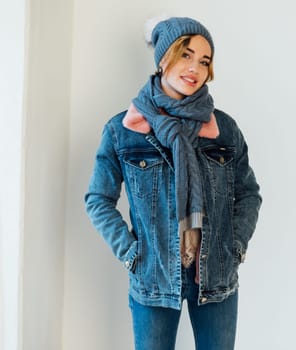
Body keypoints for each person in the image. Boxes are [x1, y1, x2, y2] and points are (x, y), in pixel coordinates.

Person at [85, 16, 262, 350]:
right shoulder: (123, 129)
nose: (194, 68)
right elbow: (98, 199)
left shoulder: (223, 129)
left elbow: (248, 194)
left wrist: (234, 246)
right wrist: (132, 254)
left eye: (204, 61)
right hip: (153, 277)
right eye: (186, 54)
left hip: (216, 277)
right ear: (163, 57)